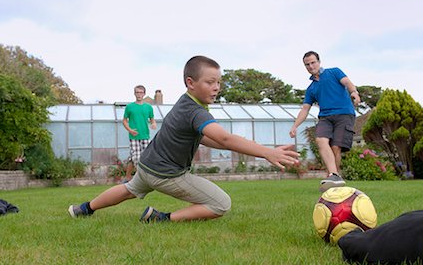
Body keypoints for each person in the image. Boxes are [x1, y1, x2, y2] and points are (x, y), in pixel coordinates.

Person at [69, 55, 300, 223]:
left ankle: (84, 209)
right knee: (221, 204)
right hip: (166, 173)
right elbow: (225, 139)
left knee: (129, 189)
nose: (216, 87)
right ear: (191, 82)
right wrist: (268, 152)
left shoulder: (185, 103)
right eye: (210, 82)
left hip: (148, 165)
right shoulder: (195, 111)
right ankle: (161, 218)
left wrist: (227, 143)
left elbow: (207, 138)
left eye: (218, 82)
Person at [289, 51, 360, 192]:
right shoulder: (311, 89)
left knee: (335, 147)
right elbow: (305, 109)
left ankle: (333, 176)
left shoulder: (334, 72)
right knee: (321, 140)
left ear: (319, 61)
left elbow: (347, 82)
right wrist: (295, 126)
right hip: (325, 117)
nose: (310, 66)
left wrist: (354, 92)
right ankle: (334, 175)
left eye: (313, 62)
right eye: (307, 64)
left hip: (344, 114)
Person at [122, 85, 157, 182]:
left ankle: (128, 177)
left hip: (145, 136)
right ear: (134, 93)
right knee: (137, 158)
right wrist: (130, 130)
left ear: (144, 94)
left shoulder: (148, 107)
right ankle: (141, 180)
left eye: (141, 92)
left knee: (144, 157)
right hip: (134, 136)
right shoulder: (129, 107)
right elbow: (124, 121)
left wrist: (153, 124)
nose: (139, 94)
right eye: (137, 92)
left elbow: (152, 119)